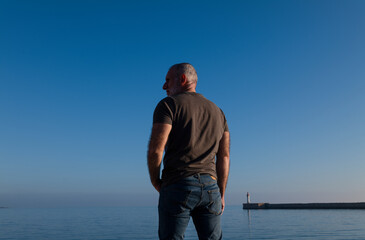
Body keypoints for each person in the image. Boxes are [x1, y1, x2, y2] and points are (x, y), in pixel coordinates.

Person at [147, 63, 230, 240]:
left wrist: (156, 181)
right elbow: (223, 156)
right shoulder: (219, 112)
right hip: (211, 189)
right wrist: (221, 194)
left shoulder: (168, 105)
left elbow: (156, 149)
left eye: (167, 80)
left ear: (183, 79)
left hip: (178, 184)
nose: (164, 86)